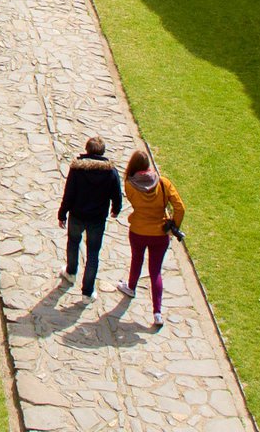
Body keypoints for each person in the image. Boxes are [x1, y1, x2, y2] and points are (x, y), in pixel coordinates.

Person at [118, 148, 186, 329]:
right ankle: (157, 312)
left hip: (138, 230)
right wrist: (174, 225)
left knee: (136, 260)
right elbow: (180, 207)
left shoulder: (129, 184)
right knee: (155, 271)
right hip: (159, 233)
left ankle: (131, 287)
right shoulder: (163, 183)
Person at [57, 137, 123, 300]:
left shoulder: (78, 169)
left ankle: (71, 272)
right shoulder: (110, 172)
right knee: (93, 252)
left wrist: (62, 213)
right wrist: (116, 209)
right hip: (97, 219)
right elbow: (116, 194)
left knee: (73, 242)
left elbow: (69, 193)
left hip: (77, 215)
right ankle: (88, 291)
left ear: (87, 150)